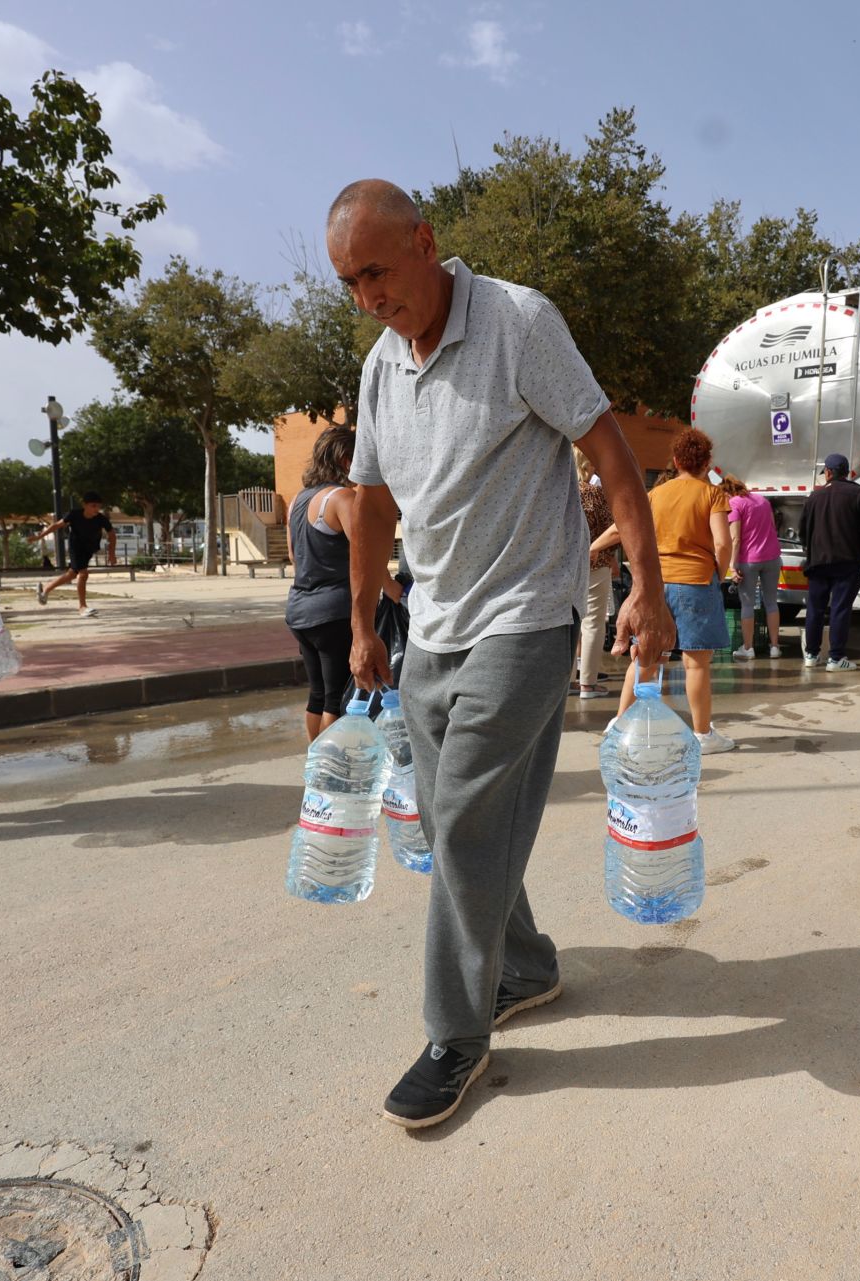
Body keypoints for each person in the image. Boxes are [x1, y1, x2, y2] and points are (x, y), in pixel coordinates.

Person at [328, 179, 673, 1129]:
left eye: (377, 271)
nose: (367, 297)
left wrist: (644, 584)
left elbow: (608, 451)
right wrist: (363, 623)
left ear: (425, 242)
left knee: (471, 816)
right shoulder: (380, 366)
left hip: (528, 615)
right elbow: (371, 506)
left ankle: (456, 1031)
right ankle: (523, 964)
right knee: (447, 825)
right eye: (348, 282)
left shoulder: (521, 321)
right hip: (434, 623)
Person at [607, 427, 737, 753]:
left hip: (657, 584)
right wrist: (717, 574)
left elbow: (622, 530)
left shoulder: (656, 494)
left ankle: (620, 722)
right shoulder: (713, 495)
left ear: (676, 460)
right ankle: (703, 735)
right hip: (695, 583)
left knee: (645, 657)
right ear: (707, 462)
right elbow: (723, 542)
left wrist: (592, 547)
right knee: (696, 664)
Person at [286, 425, 404, 741]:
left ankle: (316, 762)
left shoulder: (298, 500)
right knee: (338, 696)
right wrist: (391, 587)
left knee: (318, 693)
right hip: (334, 611)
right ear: (343, 459)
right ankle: (334, 766)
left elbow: (295, 558)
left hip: (299, 610)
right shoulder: (343, 498)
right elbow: (365, 552)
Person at [797, 453, 860, 671]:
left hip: (818, 563)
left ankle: (811, 656)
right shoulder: (858, 494)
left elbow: (802, 532)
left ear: (829, 473)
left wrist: (810, 551)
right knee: (840, 609)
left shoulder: (813, 497)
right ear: (847, 473)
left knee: (814, 609)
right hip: (847, 562)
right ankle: (835, 659)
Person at [720, 473, 782, 660]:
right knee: (771, 602)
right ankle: (775, 647)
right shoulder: (762, 500)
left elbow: (736, 538)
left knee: (747, 604)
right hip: (772, 557)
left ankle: (748, 648)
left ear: (727, 492)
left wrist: (732, 565)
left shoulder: (734, 504)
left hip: (749, 560)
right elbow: (772, 526)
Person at [30, 492, 116, 617]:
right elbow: (56, 525)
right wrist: (39, 536)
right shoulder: (74, 514)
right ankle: (82, 607)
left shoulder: (101, 519)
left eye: (98, 506)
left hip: (89, 548)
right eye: (93, 506)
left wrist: (112, 554)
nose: (96, 509)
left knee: (71, 574)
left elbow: (112, 535)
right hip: (76, 546)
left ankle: (46, 590)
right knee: (83, 573)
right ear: (85, 505)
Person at [572, 449, 614, 700]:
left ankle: (565, 682)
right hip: (595, 564)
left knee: (568, 621)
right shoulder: (594, 494)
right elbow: (612, 529)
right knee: (593, 623)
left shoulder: (559, 491)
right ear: (587, 466)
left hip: (563, 565)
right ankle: (587, 683)